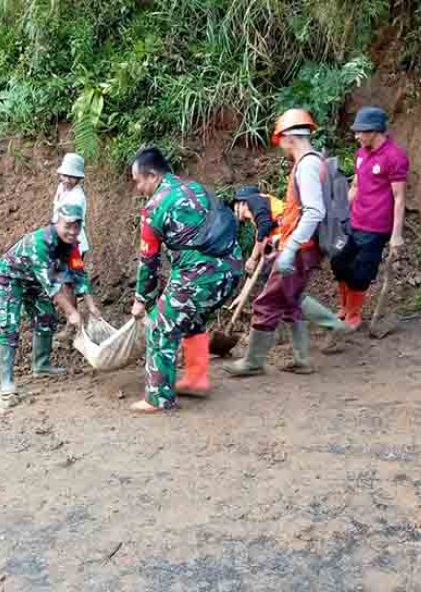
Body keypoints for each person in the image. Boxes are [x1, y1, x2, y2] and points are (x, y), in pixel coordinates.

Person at [130, 147, 242, 413]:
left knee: (159, 326)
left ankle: (158, 398)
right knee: (192, 317)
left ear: (152, 176)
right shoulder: (196, 188)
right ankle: (196, 379)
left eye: (138, 181)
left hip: (200, 276)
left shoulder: (154, 208)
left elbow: (149, 262)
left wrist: (141, 301)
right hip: (232, 270)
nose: (138, 188)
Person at [226, 109, 325, 377]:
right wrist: (284, 238)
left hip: (298, 249)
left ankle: (253, 362)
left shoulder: (306, 166)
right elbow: (298, 213)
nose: (280, 146)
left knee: (266, 302)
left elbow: (314, 212)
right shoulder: (311, 162)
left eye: (280, 140)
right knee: (290, 302)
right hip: (300, 245)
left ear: (289, 137)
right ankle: (302, 359)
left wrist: (290, 248)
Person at [0, 204, 100, 398]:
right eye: (68, 226)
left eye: (77, 226)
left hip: (33, 281)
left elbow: (78, 274)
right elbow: (52, 286)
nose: (72, 231)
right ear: (56, 222)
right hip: (9, 278)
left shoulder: (72, 244)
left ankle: (41, 365)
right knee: (9, 324)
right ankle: (6, 380)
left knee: (46, 316)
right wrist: (71, 312)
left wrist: (91, 306)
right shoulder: (40, 243)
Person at [330, 106, 409, 329]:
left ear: (374, 131)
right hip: (354, 221)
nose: (356, 136)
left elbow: (399, 197)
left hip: (375, 227)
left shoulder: (395, 157)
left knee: (361, 271)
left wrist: (396, 236)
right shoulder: (361, 154)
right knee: (338, 261)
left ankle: (354, 314)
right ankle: (345, 306)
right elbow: (356, 186)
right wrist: (338, 212)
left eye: (360, 131)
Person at [233, 185, 284, 275]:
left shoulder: (254, 200)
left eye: (236, 205)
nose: (234, 211)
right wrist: (254, 258)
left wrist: (253, 258)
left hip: (290, 235)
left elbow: (264, 228)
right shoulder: (259, 216)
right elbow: (264, 231)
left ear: (243, 202)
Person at [51, 154, 90, 256]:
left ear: (78, 178)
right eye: (65, 175)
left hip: (72, 243)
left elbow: (70, 225)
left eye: (72, 177)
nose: (67, 180)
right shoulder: (61, 187)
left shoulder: (77, 198)